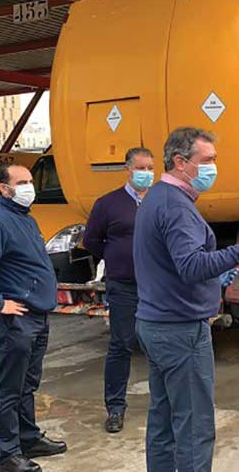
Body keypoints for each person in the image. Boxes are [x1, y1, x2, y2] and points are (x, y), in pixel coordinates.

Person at [134, 127, 239, 472]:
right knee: (194, 426)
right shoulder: (176, 206)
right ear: (181, 162)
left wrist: (214, 279)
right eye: (208, 160)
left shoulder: (157, 197)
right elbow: (190, 265)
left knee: (164, 418)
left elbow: (172, 264)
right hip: (180, 331)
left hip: (156, 324)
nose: (214, 167)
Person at [0, 164, 66, 472]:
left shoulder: (25, 219)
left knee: (27, 384)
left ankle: (28, 437)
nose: (29, 187)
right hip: (16, 320)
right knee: (10, 388)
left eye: (30, 181)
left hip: (37, 316)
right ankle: (8, 454)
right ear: (4, 189)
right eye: (21, 182)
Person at [83, 147, 155, 434]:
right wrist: (116, 258)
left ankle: (167, 403)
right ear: (127, 168)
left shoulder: (160, 201)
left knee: (159, 344)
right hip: (123, 285)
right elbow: (91, 241)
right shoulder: (108, 204)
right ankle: (115, 408)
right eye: (141, 168)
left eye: (150, 168)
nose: (146, 173)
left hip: (157, 286)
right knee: (121, 344)